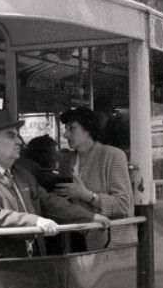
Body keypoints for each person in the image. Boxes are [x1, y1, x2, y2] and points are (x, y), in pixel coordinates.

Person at [0, 109, 110, 260]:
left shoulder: (22, 175)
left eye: (17, 134)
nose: (20, 141)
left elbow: (50, 203)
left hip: (29, 263)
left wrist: (90, 217)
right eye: (11, 135)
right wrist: (36, 221)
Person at [56, 106, 134, 249]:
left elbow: (124, 205)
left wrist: (88, 196)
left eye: (71, 129)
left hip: (110, 241)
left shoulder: (113, 156)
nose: (65, 135)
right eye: (65, 129)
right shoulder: (66, 161)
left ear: (88, 129)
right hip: (74, 240)